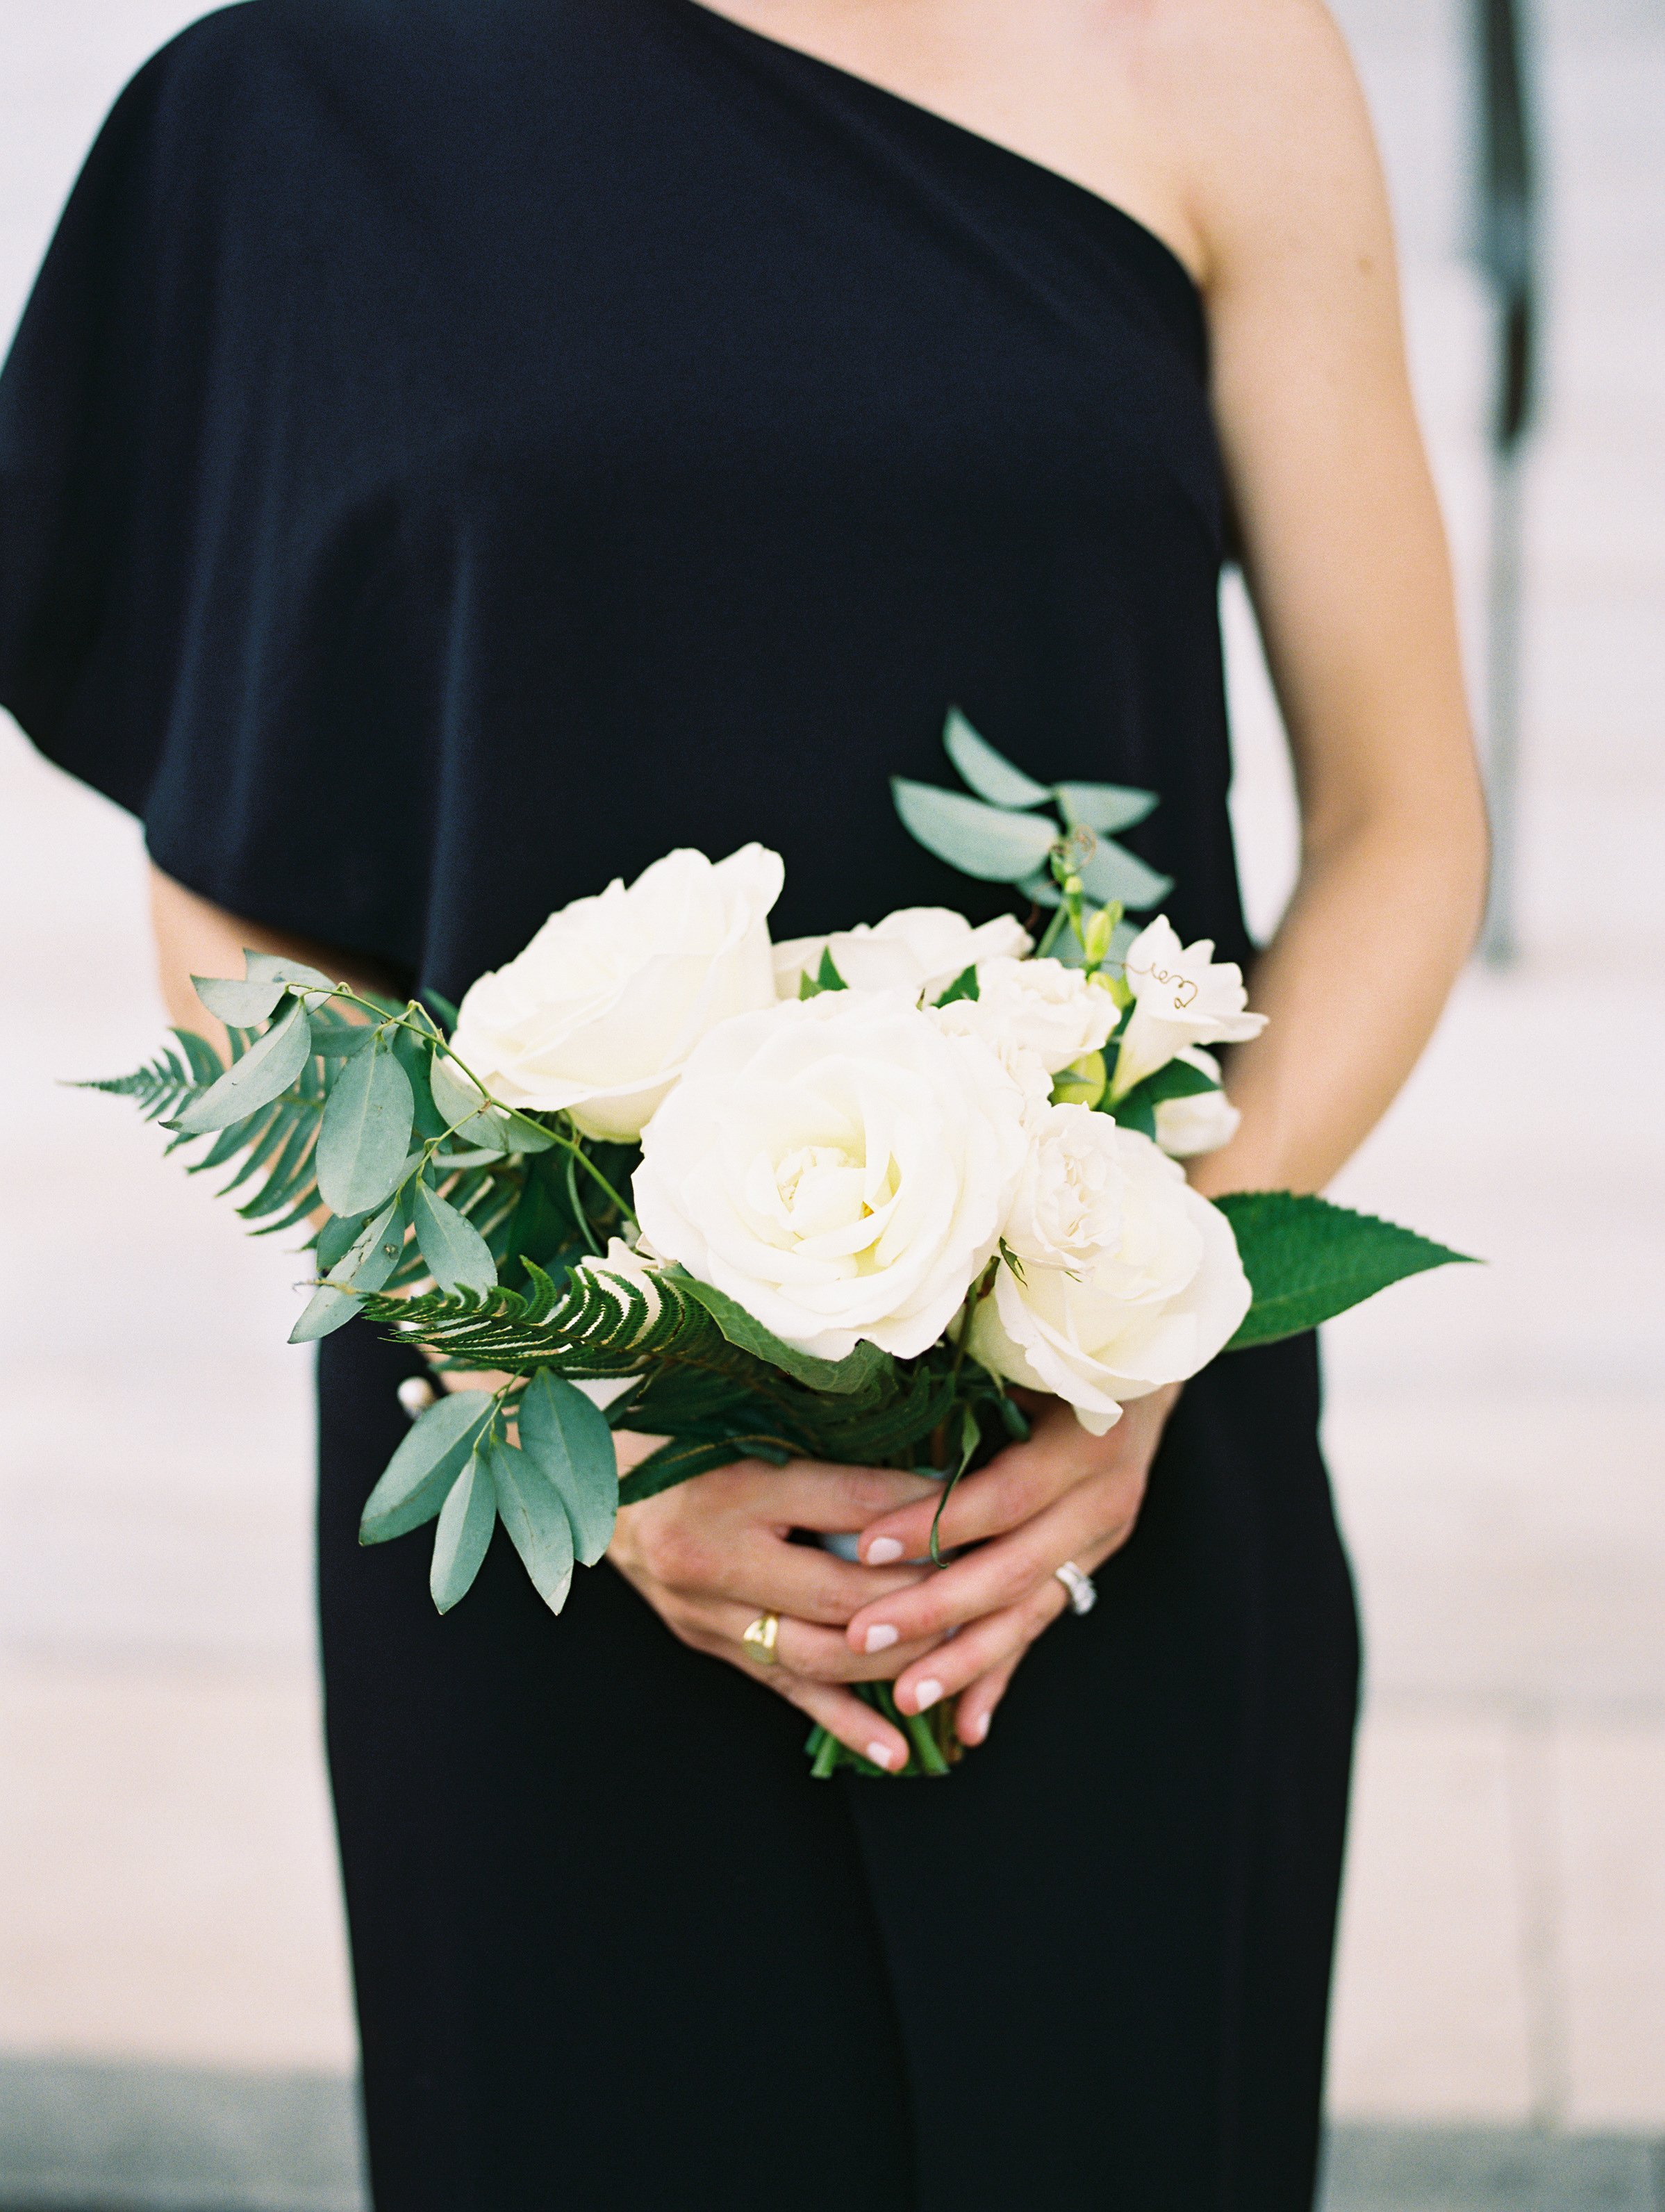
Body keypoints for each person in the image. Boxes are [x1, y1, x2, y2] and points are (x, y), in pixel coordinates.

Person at [0, 1, 1486, 2204]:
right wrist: (575, 1426)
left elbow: (1403, 822)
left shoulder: (1223, 56)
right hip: (548, 1517)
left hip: (1095, 1522)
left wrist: (1147, 1329)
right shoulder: (292, 97)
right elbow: (241, 913)